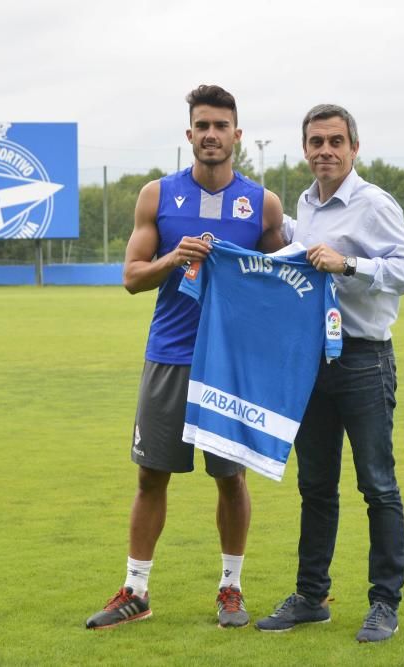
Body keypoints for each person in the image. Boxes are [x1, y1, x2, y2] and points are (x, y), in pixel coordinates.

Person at [85, 85, 285, 630]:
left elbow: (283, 284)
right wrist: (174, 257)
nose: (212, 135)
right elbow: (130, 277)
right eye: (203, 126)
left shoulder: (263, 205)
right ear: (189, 134)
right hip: (170, 357)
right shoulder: (157, 196)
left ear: (237, 135)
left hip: (229, 365)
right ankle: (136, 590)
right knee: (151, 477)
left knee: (230, 479)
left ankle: (231, 589)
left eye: (222, 126)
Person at [255, 104, 404, 642]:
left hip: (363, 358)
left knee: (377, 484)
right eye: (315, 142)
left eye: (335, 141)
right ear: (304, 149)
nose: (324, 151)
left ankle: (384, 603)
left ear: (355, 147)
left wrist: (350, 264)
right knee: (315, 486)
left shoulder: (374, 204)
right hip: (312, 360)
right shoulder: (304, 206)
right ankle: (312, 597)